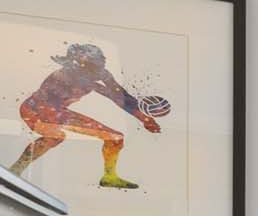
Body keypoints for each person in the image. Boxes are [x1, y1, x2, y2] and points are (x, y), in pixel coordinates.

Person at [9, 43, 164, 189]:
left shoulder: (99, 73)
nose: (97, 72)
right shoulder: (67, 73)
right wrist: (142, 117)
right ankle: (16, 169)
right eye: (92, 68)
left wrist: (145, 118)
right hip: (35, 109)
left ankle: (109, 177)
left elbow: (120, 96)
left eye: (98, 67)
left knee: (115, 138)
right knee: (56, 136)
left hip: (57, 111)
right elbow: (111, 94)